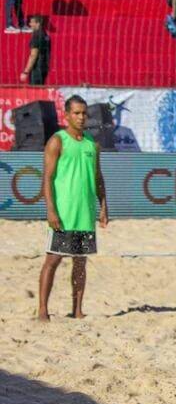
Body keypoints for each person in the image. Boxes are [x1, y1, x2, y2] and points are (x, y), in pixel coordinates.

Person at [38, 95, 108, 322]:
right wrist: (51, 210)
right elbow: (47, 179)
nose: (81, 117)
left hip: (85, 214)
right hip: (63, 214)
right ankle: (42, 311)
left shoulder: (92, 144)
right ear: (66, 115)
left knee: (80, 262)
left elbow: (98, 177)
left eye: (84, 113)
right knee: (53, 260)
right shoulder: (57, 141)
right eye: (76, 113)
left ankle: (77, 310)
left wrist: (104, 206)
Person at [20, 15, 49, 85]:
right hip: (44, 67)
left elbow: (33, 55)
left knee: (35, 91)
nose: (30, 24)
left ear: (38, 23)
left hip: (37, 68)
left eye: (32, 22)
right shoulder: (45, 35)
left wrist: (26, 71)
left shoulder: (36, 36)